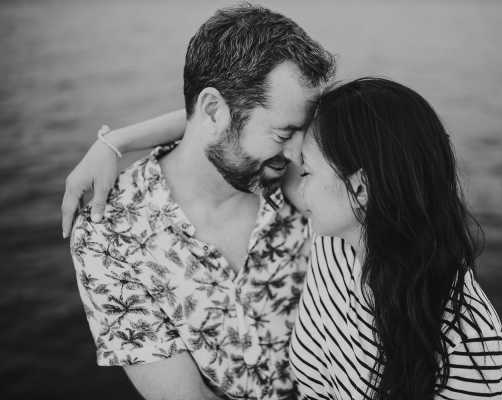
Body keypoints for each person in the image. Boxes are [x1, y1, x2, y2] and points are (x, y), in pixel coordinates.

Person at [68, 4, 334, 400]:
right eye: (283, 134)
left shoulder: (307, 182)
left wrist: (118, 139)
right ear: (213, 110)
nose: (298, 153)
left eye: (303, 130)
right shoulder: (110, 234)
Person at [289, 78, 502, 399]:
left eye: (306, 172)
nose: (299, 186)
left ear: (361, 189)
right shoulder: (332, 243)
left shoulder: (468, 340)